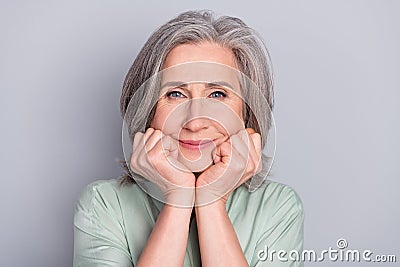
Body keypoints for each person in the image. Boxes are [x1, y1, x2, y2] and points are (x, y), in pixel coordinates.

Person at [74, 10, 304, 267]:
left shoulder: (278, 206)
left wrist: (211, 199)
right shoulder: (103, 204)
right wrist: (178, 197)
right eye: (175, 94)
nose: (195, 122)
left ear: (247, 114)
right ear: (147, 110)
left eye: (217, 95)